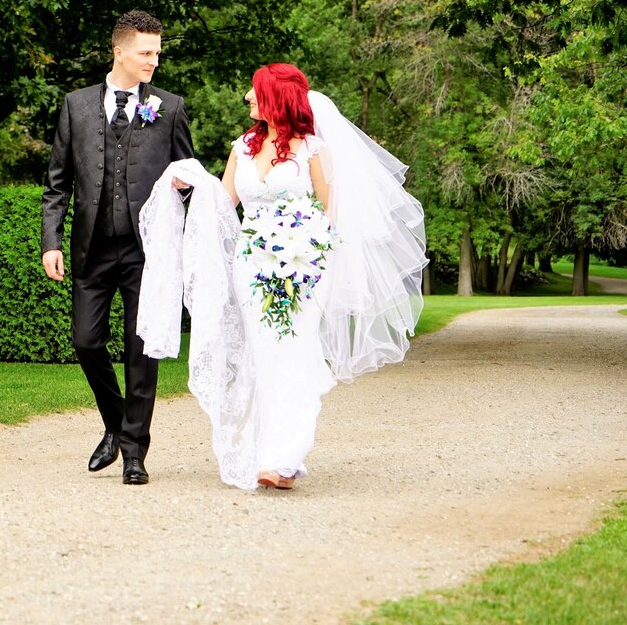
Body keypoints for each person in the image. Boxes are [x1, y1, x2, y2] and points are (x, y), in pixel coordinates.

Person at [137, 63, 426, 490]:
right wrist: (190, 185)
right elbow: (225, 201)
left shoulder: (313, 150)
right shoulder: (243, 147)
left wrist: (311, 257)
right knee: (261, 352)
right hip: (251, 266)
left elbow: (331, 214)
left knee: (292, 352)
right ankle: (264, 451)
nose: (248, 99)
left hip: (305, 268)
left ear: (276, 98)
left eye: (255, 92)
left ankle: (284, 457)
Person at [41, 10, 195, 485]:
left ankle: (134, 452)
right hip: (91, 248)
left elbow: (189, 178)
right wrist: (52, 240)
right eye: (146, 52)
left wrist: (188, 195)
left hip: (146, 253)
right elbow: (57, 181)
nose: (154, 60)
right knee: (86, 342)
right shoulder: (76, 105)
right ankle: (115, 424)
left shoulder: (169, 107)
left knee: (140, 350)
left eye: (157, 52)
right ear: (120, 51)